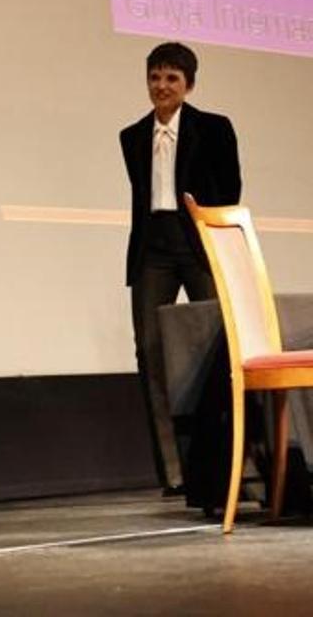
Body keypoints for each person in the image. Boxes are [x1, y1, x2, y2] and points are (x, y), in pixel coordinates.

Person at [120, 41, 241, 494]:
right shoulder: (131, 136)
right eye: (155, 77)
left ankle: (231, 464)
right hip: (153, 248)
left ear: (189, 84)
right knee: (151, 352)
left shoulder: (214, 129)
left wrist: (202, 210)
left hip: (198, 243)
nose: (161, 86)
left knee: (218, 350)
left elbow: (230, 189)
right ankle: (174, 472)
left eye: (171, 78)